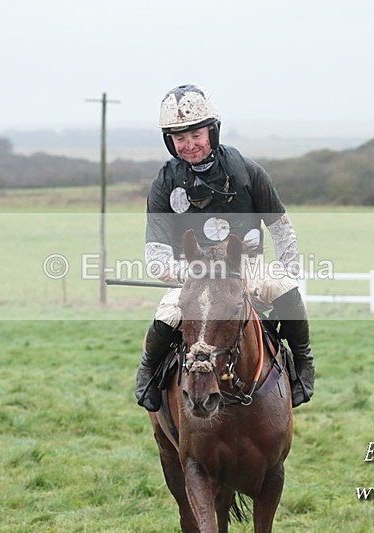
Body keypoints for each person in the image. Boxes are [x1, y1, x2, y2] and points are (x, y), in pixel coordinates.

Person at [135, 84, 315, 412]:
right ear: (169, 141)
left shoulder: (248, 171)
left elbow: (281, 228)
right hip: (194, 274)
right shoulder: (163, 183)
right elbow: (157, 259)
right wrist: (199, 273)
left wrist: (288, 271)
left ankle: (303, 366)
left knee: (288, 292)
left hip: (247, 267)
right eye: (180, 138)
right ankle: (148, 373)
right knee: (167, 314)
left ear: (213, 132)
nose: (189, 145)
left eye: (196, 135)